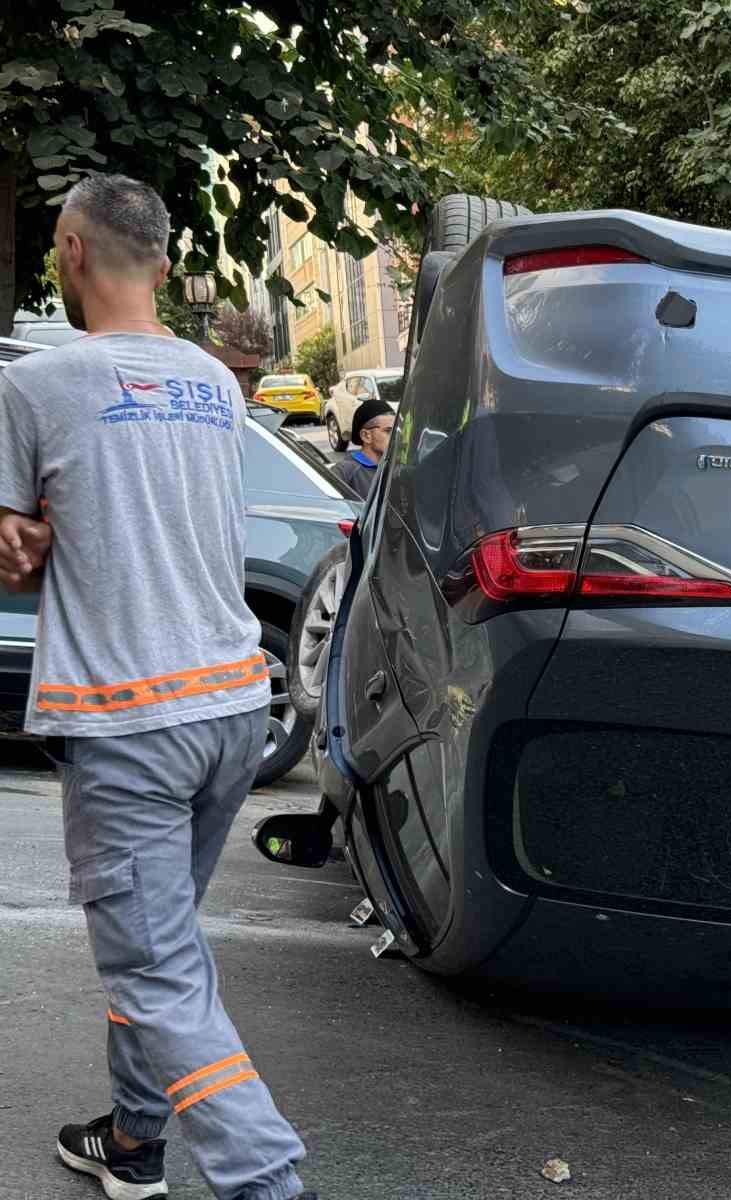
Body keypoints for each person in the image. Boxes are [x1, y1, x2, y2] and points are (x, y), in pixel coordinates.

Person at [0, 175, 317, 1200]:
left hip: (129, 717)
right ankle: (134, 1141)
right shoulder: (213, 384)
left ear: (69, 250)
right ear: (167, 267)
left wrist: (26, 538)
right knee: (165, 940)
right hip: (232, 701)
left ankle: (266, 1182)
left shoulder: (38, 385)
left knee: (154, 967)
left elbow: (19, 545)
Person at [329, 397, 393, 499]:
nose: (396, 437)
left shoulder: (395, 467)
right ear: (366, 436)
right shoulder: (345, 471)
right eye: (388, 431)